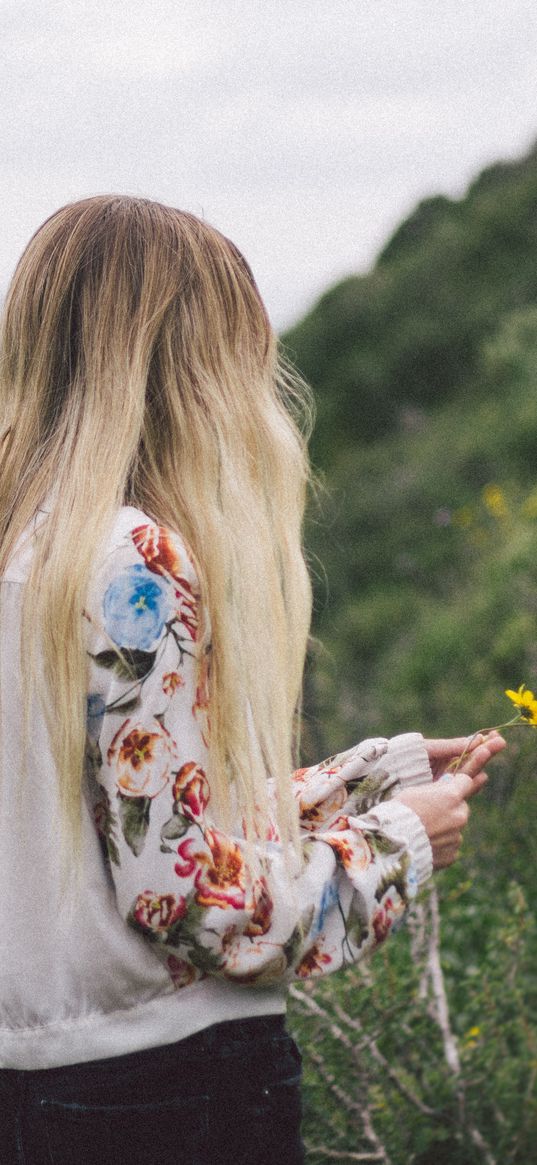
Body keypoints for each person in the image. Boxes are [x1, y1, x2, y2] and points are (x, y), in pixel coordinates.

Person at [0, 196, 505, 1165]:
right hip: (163, 1095)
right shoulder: (132, 563)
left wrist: (370, 778)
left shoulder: (30, 548)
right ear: (184, 362)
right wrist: (400, 843)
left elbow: (111, 836)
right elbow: (187, 906)